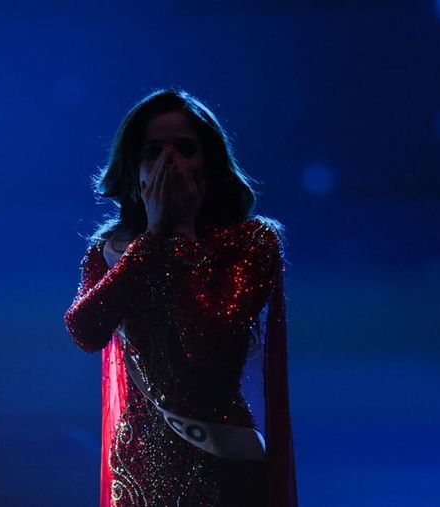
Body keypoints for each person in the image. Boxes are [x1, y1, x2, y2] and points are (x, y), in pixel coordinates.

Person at [64, 89, 297, 506]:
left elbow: (207, 343)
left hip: (223, 463)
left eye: (184, 149)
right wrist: (152, 239)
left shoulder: (251, 242)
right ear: (134, 171)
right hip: (139, 470)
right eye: (153, 151)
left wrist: (182, 234)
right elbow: (84, 330)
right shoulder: (110, 250)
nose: (169, 162)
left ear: (210, 166)